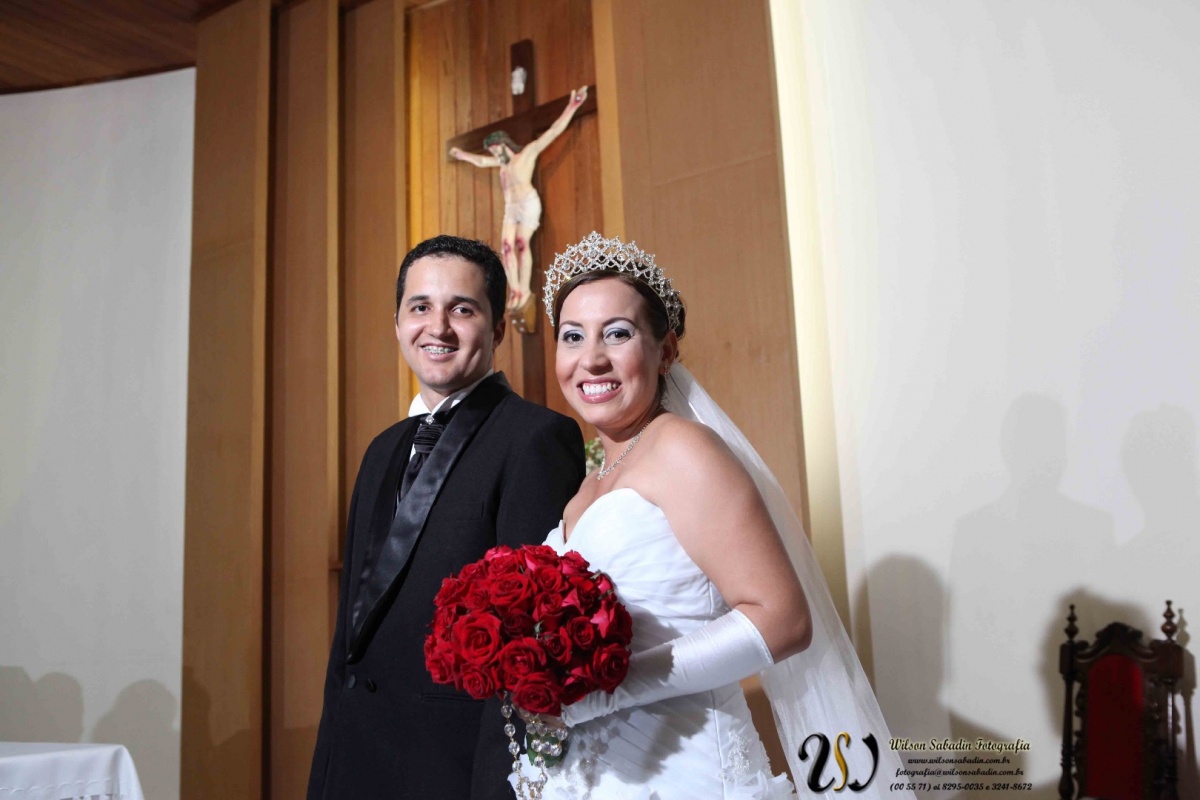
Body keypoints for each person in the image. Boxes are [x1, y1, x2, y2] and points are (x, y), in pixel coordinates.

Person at [517, 232, 914, 799]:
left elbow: (783, 619)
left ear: (667, 350)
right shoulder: (587, 485)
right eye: (573, 336)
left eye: (619, 334)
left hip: (688, 774)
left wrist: (603, 693)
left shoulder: (683, 448)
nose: (592, 358)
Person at [307, 235, 586, 800]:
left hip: (451, 767)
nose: (437, 327)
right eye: (420, 307)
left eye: (462, 308)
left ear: (499, 327)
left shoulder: (535, 438)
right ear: (398, 323)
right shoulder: (383, 448)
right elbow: (351, 632)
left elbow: (527, 648)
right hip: (357, 761)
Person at [448, 86, 589, 330]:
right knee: (506, 247)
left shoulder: (525, 155)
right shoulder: (501, 165)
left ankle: (524, 291)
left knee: (521, 245)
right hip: (511, 208)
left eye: (495, 149)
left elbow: (553, 132)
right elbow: (481, 161)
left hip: (527, 203)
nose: (493, 154)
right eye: (492, 152)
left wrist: (572, 105)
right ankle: (515, 291)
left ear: (504, 145)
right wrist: (461, 154)